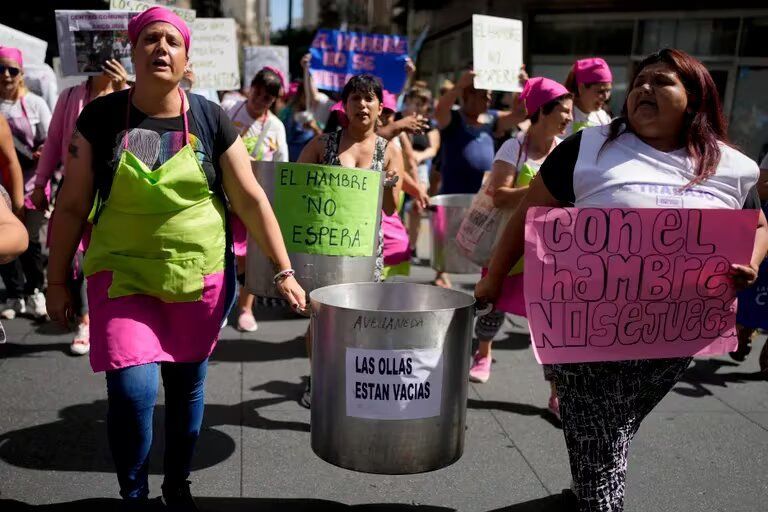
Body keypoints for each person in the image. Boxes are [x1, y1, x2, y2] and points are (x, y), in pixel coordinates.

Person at [476, 48, 768, 511]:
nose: (644, 88)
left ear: (694, 99)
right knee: (604, 449)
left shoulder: (730, 166)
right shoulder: (588, 147)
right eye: (640, 81)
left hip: (671, 341)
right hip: (584, 335)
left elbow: (758, 225)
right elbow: (531, 213)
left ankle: (586, 490)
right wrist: (493, 277)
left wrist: (750, 263)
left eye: (661, 82)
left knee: (607, 434)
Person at [45, 7, 306, 508]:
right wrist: (57, 281)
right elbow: (73, 205)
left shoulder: (209, 117)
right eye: (149, 39)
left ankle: (177, 484)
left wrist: (284, 269)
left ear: (186, 58)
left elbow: (251, 198)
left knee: (186, 389)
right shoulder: (99, 117)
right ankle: (134, 493)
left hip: (198, 278)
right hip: (121, 275)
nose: (160, 47)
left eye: (171, 41)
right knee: (131, 390)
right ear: (134, 50)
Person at [297, 74, 403, 407]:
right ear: (345, 105)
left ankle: (350, 379)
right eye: (355, 98)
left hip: (367, 251)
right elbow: (296, 188)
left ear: (380, 107)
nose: (362, 104)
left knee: (360, 317)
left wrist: (387, 185)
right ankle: (319, 378)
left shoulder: (388, 151)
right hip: (327, 248)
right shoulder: (322, 144)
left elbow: (391, 209)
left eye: (369, 98)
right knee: (321, 317)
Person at [469, 78, 573, 408]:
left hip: (550, 253)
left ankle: (557, 393)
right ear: (542, 111)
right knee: (493, 307)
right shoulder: (514, 148)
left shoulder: (566, 150)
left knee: (553, 323)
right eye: (564, 111)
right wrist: (538, 192)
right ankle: (482, 353)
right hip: (510, 246)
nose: (569, 117)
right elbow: (498, 196)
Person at [32, 61, 130, 355]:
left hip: (117, 191)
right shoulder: (70, 95)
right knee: (76, 256)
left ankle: (112, 320)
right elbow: (53, 142)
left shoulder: (131, 95)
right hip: (76, 187)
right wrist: (41, 183)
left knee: (109, 256)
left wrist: (124, 88)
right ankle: (86, 321)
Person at [224, 66, 288, 332]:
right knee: (222, 253)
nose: (259, 100)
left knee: (250, 257)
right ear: (250, 87)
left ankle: (246, 308)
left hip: (252, 199)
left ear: (273, 101)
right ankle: (222, 305)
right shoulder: (229, 108)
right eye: (257, 93)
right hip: (224, 194)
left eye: (266, 98)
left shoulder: (275, 127)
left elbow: (281, 166)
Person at [0, 46, 52, 320]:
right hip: (2, 186)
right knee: (4, 243)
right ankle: (14, 294)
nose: (6, 75)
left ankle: (35, 290)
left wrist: (43, 150)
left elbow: (52, 140)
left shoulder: (36, 104)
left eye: (12, 70)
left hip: (32, 181)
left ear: (21, 74)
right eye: (1, 69)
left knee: (29, 239)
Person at [280, 54, 335, 161]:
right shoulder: (288, 112)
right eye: (304, 94)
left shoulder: (324, 105)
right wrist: (307, 69)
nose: (306, 97)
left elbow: (323, 141)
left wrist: (314, 128)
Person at [563, 57, 613, 135]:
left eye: (608, 90)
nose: (606, 97)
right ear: (581, 88)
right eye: (601, 91)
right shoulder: (562, 116)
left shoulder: (603, 118)